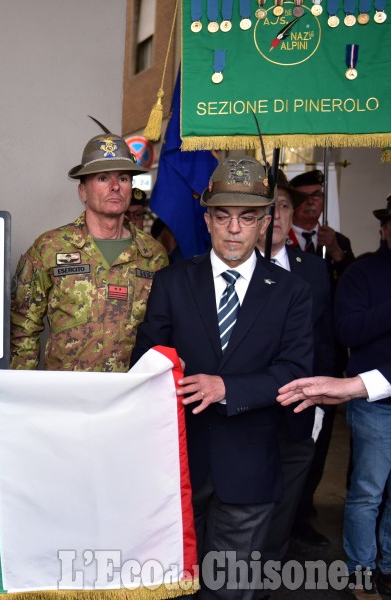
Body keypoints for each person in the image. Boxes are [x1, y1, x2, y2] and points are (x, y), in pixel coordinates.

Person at [130, 157, 313, 600]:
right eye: (223, 217)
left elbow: (294, 372)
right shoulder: (172, 282)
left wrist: (226, 388)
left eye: (246, 218)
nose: (234, 229)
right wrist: (164, 374)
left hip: (249, 463)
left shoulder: (291, 291)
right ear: (207, 220)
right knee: (171, 584)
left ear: (264, 222)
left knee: (231, 588)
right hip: (177, 464)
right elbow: (146, 360)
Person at [10, 132, 167, 372]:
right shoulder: (50, 248)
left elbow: (165, 329)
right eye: (103, 178)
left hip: (132, 396)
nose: (115, 187)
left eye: (123, 178)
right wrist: (23, 392)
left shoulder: (153, 255)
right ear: (82, 191)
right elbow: (23, 328)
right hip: (68, 397)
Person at [254, 171, 334, 567]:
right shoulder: (230, 268)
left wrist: (322, 404)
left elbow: (324, 340)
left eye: (283, 206)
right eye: (266, 209)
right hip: (246, 410)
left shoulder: (314, 270)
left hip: (300, 409)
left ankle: (267, 574)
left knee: (286, 501)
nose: (277, 216)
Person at [328, 195, 391, 599]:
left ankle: (387, 565)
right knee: (368, 491)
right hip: (374, 403)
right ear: (385, 228)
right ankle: (361, 570)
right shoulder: (361, 272)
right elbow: (347, 333)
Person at [288, 168, 351, 546]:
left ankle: (303, 516)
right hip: (286, 363)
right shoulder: (275, 240)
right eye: (306, 196)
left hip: (322, 363)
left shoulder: (335, 241)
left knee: (317, 448)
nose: (313, 203)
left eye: (318, 196)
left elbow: (343, 301)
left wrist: (340, 256)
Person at [288, 169, 354, 280]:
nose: (310, 202)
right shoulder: (278, 238)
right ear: (292, 202)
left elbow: (353, 281)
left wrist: (336, 253)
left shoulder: (340, 241)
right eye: (303, 196)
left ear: (323, 201)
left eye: (316, 195)